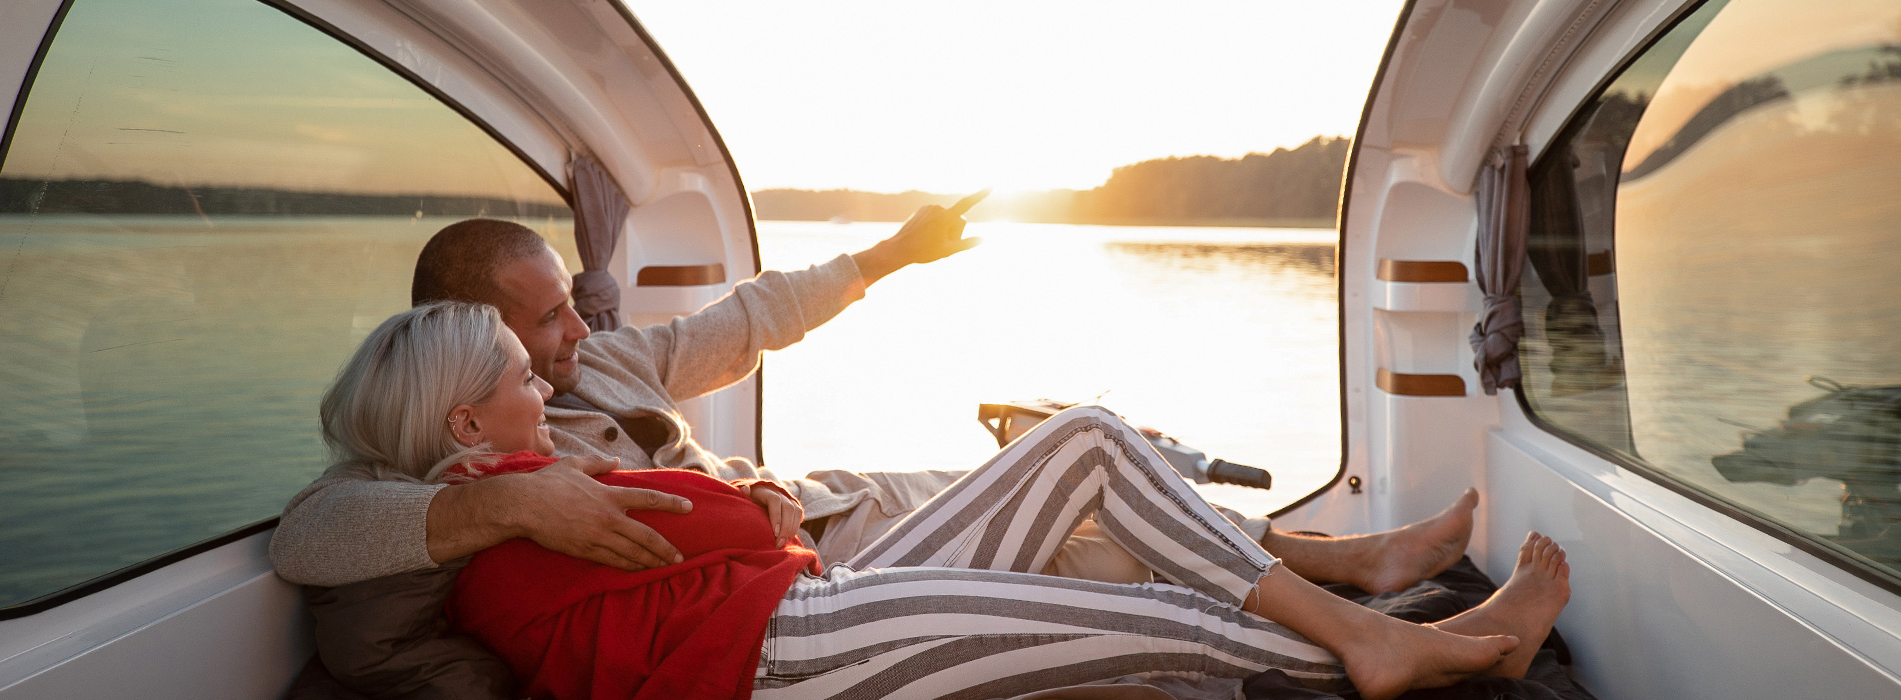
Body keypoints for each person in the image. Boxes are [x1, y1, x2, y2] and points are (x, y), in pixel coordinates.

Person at [314, 302, 1572, 700]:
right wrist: (745, 498)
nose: (547, 368)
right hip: (777, 658)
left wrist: (747, 502)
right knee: (1160, 635)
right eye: (514, 370)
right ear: (462, 424)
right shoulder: (511, 508)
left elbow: (752, 525)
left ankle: (1356, 591)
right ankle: (1392, 646)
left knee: (1083, 435)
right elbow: (748, 524)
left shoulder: (535, 477)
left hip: (812, 596)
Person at [270, 201, 1488, 600]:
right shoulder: (453, 454)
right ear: (466, 370)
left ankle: (1334, 556)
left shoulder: (604, 365)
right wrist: (513, 512)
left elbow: (747, 318)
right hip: (808, 565)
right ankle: (1351, 582)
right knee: (1082, 516)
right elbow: (311, 531)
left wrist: (893, 254)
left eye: (565, 306)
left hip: (823, 499)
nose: (574, 328)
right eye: (543, 320)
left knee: (1089, 463)